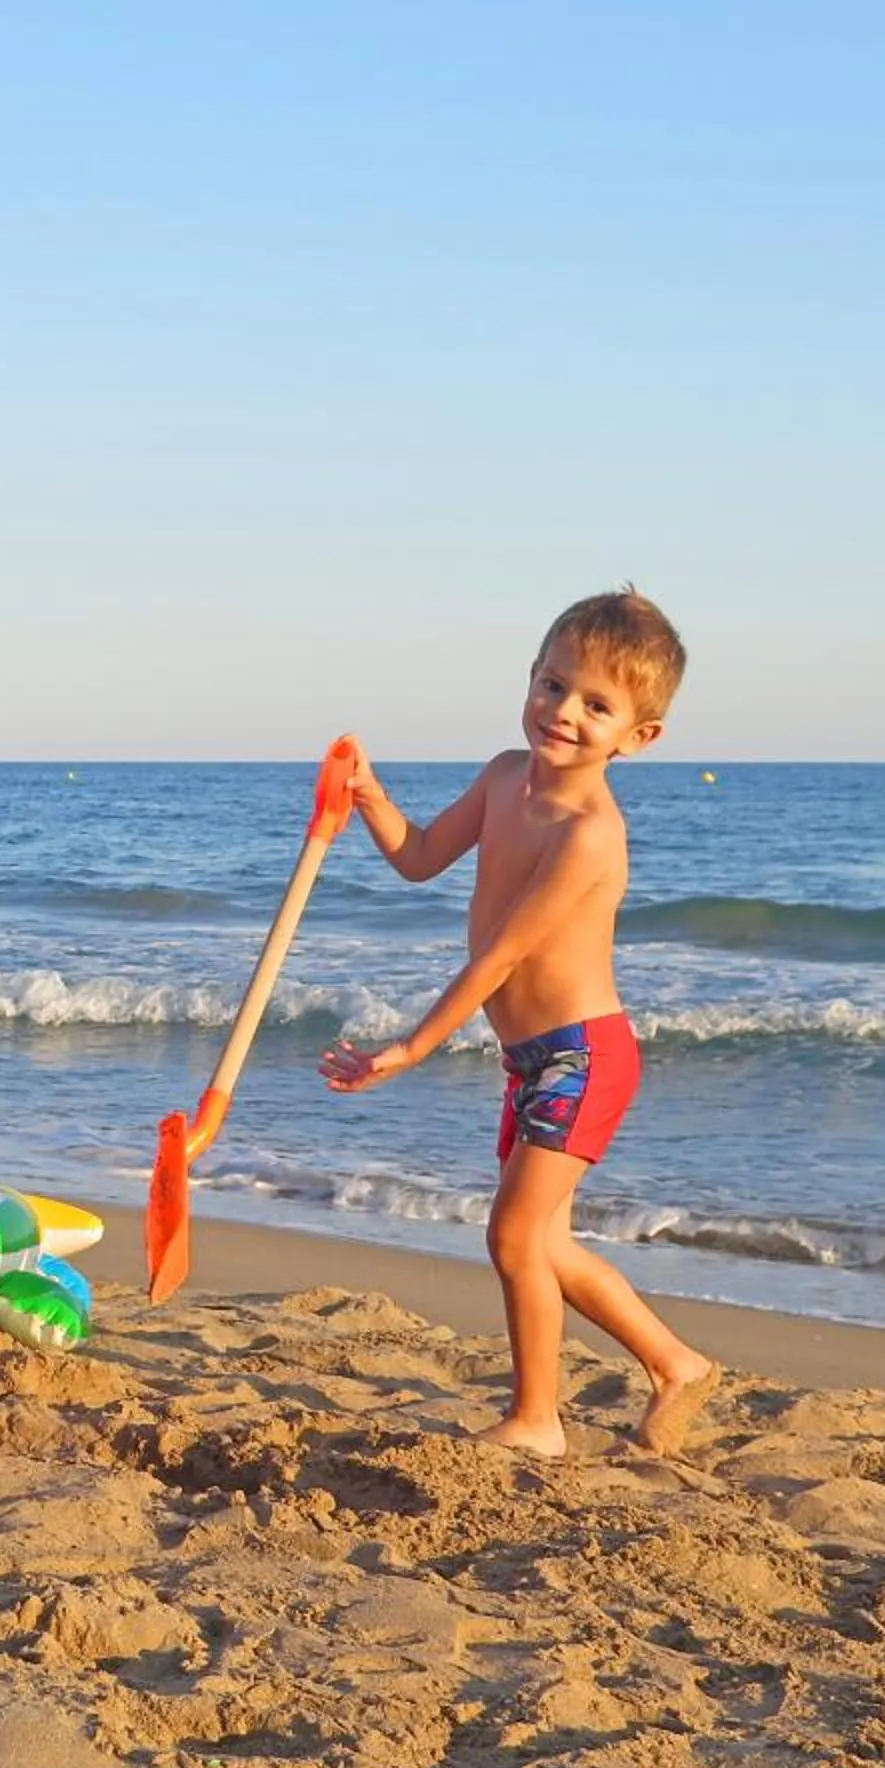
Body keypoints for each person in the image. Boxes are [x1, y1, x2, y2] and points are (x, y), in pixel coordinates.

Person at [318, 590, 718, 1456]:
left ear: (637, 736)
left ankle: (538, 1420)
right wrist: (370, 795)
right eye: (552, 684)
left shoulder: (588, 835)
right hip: (531, 1059)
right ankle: (675, 1363)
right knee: (544, 1243)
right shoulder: (505, 775)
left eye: (596, 705)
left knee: (513, 1236)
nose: (563, 712)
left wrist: (412, 1047)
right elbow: (421, 858)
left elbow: (499, 957)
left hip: (583, 1058)